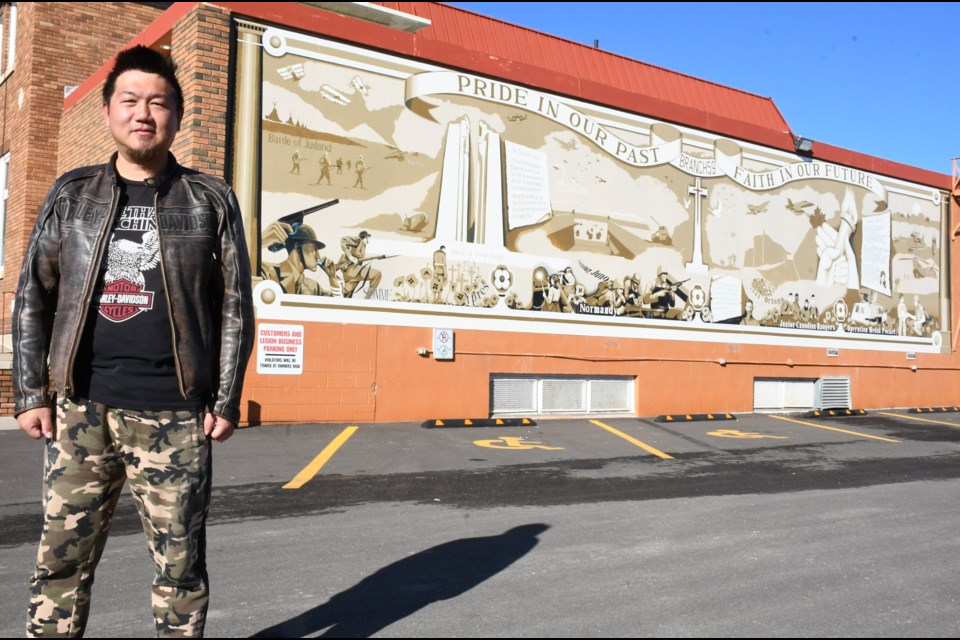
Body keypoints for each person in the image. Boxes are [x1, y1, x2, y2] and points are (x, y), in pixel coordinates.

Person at [12, 46, 254, 637]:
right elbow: (32, 296)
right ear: (109, 112)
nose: (143, 113)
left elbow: (234, 307)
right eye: (130, 100)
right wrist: (30, 393)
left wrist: (224, 400)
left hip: (175, 418)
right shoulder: (73, 195)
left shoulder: (211, 199)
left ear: (174, 116)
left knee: (179, 570)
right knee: (59, 566)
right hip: (80, 413)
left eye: (158, 102)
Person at [261, 222, 337, 295]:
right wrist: (260, 241)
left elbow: (337, 305)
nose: (318, 256)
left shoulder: (313, 287)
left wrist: (332, 278)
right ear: (297, 247)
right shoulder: (266, 272)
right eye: (314, 249)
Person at [337, 230, 382, 298]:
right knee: (377, 274)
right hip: (352, 270)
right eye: (368, 237)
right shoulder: (358, 240)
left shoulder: (363, 245)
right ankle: (367, 299)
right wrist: (350, 256)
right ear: (365, 237)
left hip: (352, 273)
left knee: (346, 295)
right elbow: (343, 239)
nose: (369, 239)